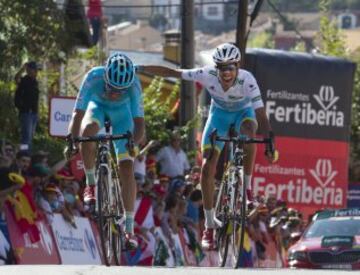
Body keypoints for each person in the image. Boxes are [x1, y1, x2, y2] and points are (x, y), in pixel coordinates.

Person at [138, 43, 277, 250]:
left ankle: (246, 189)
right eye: (222, 68)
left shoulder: (247, 80)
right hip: (218, 118)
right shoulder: (206, 74)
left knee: (249, 134)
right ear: (216, 67)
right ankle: (210, 226)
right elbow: (173, 72)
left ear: (237, 66)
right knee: (207, 166)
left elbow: (261, 115)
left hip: (243, 116)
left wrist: (269, 141)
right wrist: (140, 68)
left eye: (230, 67)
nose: (226, 72)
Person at [66, 52, 145, 249]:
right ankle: (91, 184)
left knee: (126, 167)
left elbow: (140, 125)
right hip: (98, 108)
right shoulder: (93, 77)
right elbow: (77, 115)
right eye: (111, 88)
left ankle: (129, 228)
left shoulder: (134, 85)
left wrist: (132, 143)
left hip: (123, 116)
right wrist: (72, 142)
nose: (115, 93)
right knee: (87, 131)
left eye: (120, 90)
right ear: (105, 78)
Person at [14, 61, 41, 152]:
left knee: (30, 139)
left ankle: (24, 154)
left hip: (34, 113)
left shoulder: (35, 82)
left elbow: (35, 99)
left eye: (37, 70)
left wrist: (38, 113)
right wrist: (22, 69)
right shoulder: (24, 80)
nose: (37, 72)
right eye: (35, 70)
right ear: (29, 70)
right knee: (26, 138)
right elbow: (16, 78)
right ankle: (23, 155)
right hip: (26, 113)